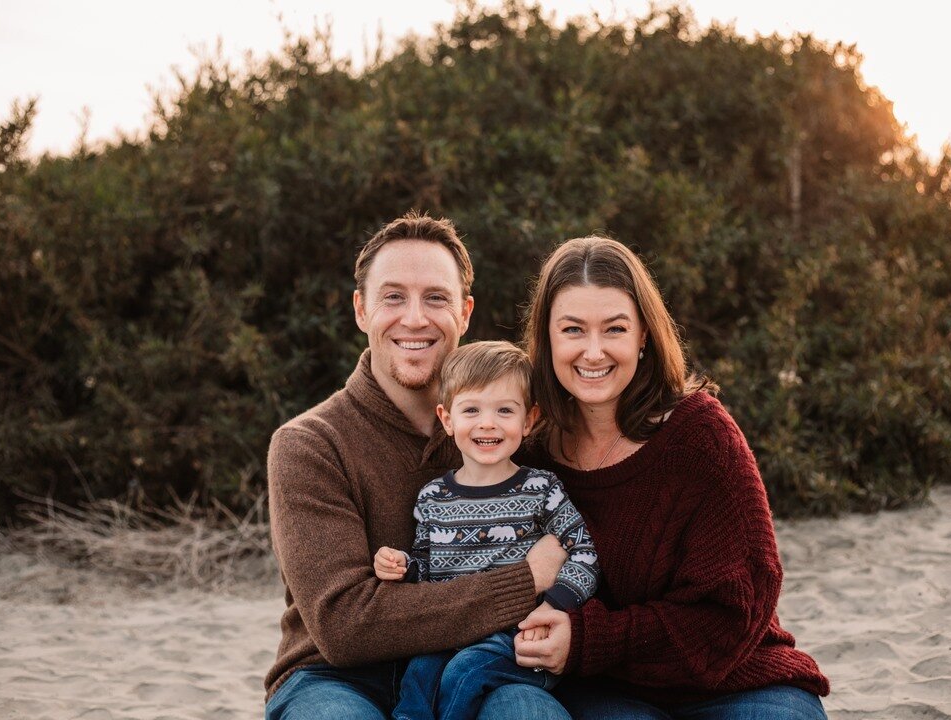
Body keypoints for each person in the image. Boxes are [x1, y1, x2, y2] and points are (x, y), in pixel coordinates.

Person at [264, 212, 571, 720]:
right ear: (361, 310)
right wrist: (524, 581)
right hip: (336, 678)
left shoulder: (506, 429)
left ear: (465, 312)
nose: (414, 318)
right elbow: (346, 626)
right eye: (393, 297)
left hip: (482, 662)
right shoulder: (309, 445)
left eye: (435, 298)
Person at [513, 236, 831, 719]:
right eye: (573, 329)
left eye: (614, 329)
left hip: (737, 678)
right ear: (547, 339)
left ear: (643, 335)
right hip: (609, 690)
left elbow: (737, 608)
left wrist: (590, 640)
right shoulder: (529, 452)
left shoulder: (700, 435)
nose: (593, 351)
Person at [373, 341, 599, 720]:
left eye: (504, 410)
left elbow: (585, 552)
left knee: (466, 670)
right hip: (449, 630)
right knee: (417, 676)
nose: (487, 423)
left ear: (528, 420)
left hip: (517, 638)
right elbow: (428, 569)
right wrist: (403, 565)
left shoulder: (541, 489)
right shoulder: (433, 497)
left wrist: (556, 604)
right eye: (472, 409)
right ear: (447, 419)